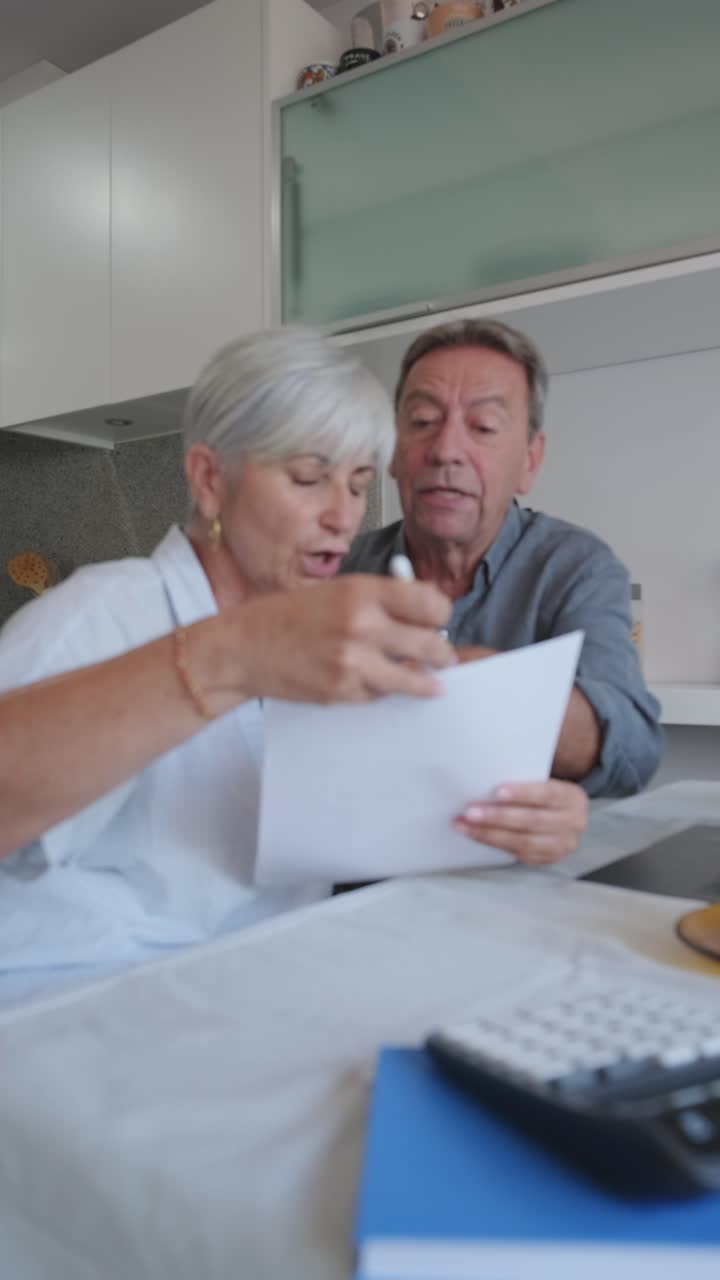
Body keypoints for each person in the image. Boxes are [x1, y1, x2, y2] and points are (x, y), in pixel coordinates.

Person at [0, 328, 587, 1004]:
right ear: (210, 479)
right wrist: (234, 655)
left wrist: (520, 817)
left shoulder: (327, 652)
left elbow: (386, 830)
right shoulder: (100, 614)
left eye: (360, 484)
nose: (343, 516)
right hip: (77, 1019)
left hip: (262, 996)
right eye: (309, 478)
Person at [343, 318, 662, 797]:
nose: (446, 450)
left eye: (484, 426)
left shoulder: (576, 567)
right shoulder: (341, 569)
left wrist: (480, 687)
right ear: (392, 449)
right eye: (423, 422)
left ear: (529, 461)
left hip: (515, 861)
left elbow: (633, 748)